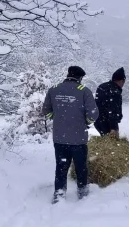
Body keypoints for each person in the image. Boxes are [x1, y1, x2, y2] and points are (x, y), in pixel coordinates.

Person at [42, 65, 99, 203]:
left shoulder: (54, 89)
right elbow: (93, 114)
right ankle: (83, 193)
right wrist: (86, 122)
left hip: (59, 138)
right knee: (81, 167)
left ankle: (59, 194)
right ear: (80, 78)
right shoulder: (84, 91)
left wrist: (56, 118)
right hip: (78, 139)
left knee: (61, 167)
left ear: (68, 75)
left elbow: (46, 110)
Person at [94, 68, 126, 136]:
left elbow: (96, 104)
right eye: (123, 81)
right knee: (112, 144)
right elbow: (113, 110)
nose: (123, 84)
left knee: (105, 142)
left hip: (98, 121)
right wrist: (113, 128)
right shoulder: (115, 91)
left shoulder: (101, 86)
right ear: (121, 81)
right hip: (108, 123)